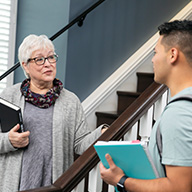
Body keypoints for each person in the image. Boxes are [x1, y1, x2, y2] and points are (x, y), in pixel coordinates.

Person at [0, 34, 106, 192]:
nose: (48, 64)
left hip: (54, 185)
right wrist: (9, 140)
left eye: (51, 57)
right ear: (25, 66)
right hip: (16, 186)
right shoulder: (9, 96)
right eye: (39, 59)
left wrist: (103, 132)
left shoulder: (70, 101)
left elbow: (80, 144)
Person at [99, 20, 192, 192]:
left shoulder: (178, 115)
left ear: (173, 54)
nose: (152, 60)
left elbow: (180, 188)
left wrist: (121, 180)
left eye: (155, 52)